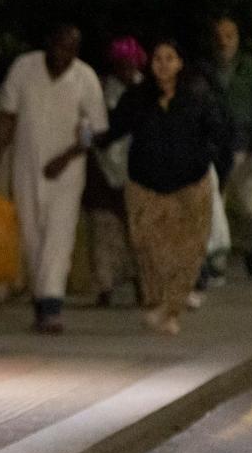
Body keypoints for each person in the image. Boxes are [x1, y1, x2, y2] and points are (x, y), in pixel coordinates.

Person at [45, 37, 229, 335]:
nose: (163, 64)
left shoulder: (197, 97)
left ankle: (172, 310)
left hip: (189, 185)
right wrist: (86, 138)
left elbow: (219, 135)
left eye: (170, 58)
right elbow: (113, 129)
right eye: (158, 58)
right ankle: (157, 302)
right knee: (149, 247)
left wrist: (205, 161)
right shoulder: (138, 97)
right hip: (146, 184)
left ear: (180, 63)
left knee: (185, 250)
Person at [0, 24, 108, 334]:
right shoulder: (24, 68)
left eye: (71, 49)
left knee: (59, 235)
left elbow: (97, 129)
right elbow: (7, 117)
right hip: (25, 165)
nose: (64, 55)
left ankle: (52, 305)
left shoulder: (85, 78)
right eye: (59, 47)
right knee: (31, 234)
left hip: (67, 170)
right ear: (48, 44)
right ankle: (42, 300)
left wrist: (67, 156)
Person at [202, 15, 252, 277]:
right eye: (219, 35)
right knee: (217, 203)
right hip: (215, 145)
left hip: (244, 143)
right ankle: (218, 259)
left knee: (248, 206)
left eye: (229, 35)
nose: (223, 41)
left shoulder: (251, 68)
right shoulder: (206, 69)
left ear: (237, 38)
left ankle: (249, 247)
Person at [82, 36, 145, 308]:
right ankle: (104, 287)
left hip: (141, 172)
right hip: (104, 170)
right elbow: (90, 130)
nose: (126, 70)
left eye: (131, 64)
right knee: (104, 230)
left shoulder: (149, 90)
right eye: (121, 64)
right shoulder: (101, 91)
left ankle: (143, 285)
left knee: (140, 234)